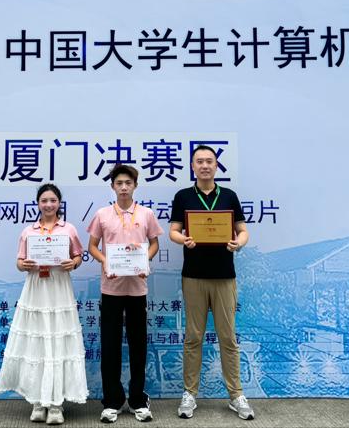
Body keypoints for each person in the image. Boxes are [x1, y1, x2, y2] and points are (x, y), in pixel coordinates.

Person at [168, 145, 255, 421]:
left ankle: (236, 394)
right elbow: (173, 231)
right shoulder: (183, 196)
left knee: (227, 336)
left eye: (209, 161)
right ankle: (189, 393)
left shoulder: (229, 196)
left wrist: (238, 243)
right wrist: (184, 239)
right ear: (192, 166)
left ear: (216, 166)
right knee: (193, 337)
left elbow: (243, 230)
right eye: (199, 161)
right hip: (193, 276)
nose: (204, 165)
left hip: (224, 276)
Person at [0, 184, 88, 425]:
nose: (48, 204)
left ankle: (56, 404)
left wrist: (73, 263)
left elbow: (78, 256)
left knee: (57, 340)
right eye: (44, 200)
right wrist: (24, 265)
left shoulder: (68, 229)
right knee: (36, 342)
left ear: (59, 203)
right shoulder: (29, 231)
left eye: (53, 200)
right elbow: (19, 262)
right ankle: (37, 401)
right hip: (36, 288)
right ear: (38, 203)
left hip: (59, 287)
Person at [87, 165, 163, 423]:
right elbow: (92, 246)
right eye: (119, 183)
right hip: (110, 289)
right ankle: (113, 401)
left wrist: (145, 260)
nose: (123, 187)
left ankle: (138, 400)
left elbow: (154, 243)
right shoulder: (102, 214)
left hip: (137, 289)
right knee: (110, 346)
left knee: (138, 345)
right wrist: (105, 261)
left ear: (135, 186)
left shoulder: (146, 214)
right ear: (112, 186)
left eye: (128, 183)